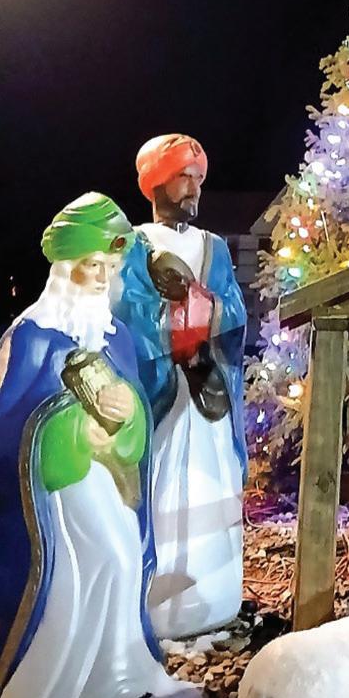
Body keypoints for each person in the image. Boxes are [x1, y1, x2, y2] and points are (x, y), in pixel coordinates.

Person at [0, 194, 187, 698]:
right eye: (91, 266)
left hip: (108, 474)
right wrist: (73, 425)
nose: (102, 278)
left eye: (110, 267)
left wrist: (128, 413)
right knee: (108, 558)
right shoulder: (33, 337)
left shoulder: (115, 336)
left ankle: (115, 670)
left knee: (126, 557)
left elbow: (137, 411)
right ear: (64, 269)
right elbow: (9, 419)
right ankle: (49, 682)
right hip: (59, 484)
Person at [113, 134, 248, 638]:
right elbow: (126, 313)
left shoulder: (214, 247)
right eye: (182, 178)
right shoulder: (133, 245)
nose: (193, 188)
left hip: (208, 397)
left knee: (212, 484)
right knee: (162, 490)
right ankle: (156, 602)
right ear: (156, 184)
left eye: (198, 179)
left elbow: (234, 311)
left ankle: (214, 595)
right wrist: (176, 322)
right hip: (162, 396)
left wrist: (209, 312)